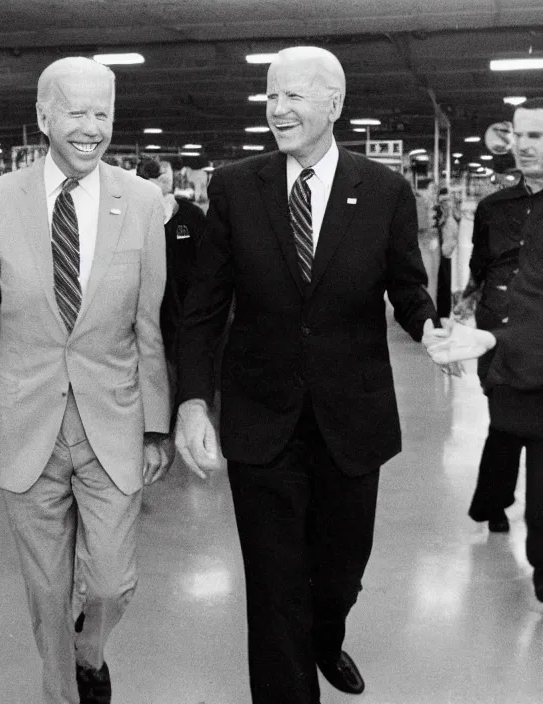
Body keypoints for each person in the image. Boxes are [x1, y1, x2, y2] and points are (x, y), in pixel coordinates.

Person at [174, 46, 450, 704]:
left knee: (337, 575)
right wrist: (190, 403)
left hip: (351, 417)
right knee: (273, 588)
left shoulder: (383, 191)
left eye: (293, 96)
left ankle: (327, 634)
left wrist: (432, 328)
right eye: (270, 96)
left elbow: (408, 288)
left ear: (334, 104)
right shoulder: (237, 186)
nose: (277, 109)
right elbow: (204, 307)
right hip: (261, 415)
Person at [0, 57, 173, 704]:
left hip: (113, 420)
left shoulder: (143, 202)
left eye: (104, 114)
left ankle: (90, 652)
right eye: (77, 112)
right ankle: (64, 693)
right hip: (26, 421)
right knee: (44, 592)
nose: (92, 128)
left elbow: (149, 326)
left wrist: (157, 425)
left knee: (110, 586)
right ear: (43, 116)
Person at [427, 98, 543, 603]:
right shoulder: (496, 206)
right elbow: (480, 272)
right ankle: (493, 503)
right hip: (495, 341)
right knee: (506, 426)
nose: (523, 145)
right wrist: (458, 316)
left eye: (536, 135)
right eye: (519, 134)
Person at [457, 165, 527, 533]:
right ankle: (495, 502)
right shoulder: (492, 206)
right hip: (501, 319)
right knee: (506, 415)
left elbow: (478, 263)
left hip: (504, 314)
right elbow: (479, 262)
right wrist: (469, 297)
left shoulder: (492, 206)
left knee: (507, 419)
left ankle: (495, 504)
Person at [136, 157, 204, 370]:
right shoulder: (132, 215)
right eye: (155, 176)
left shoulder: (191, 215)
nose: (164, 178)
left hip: (185, 308)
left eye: (166, 173)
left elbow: (207, 261)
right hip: (145, 309)